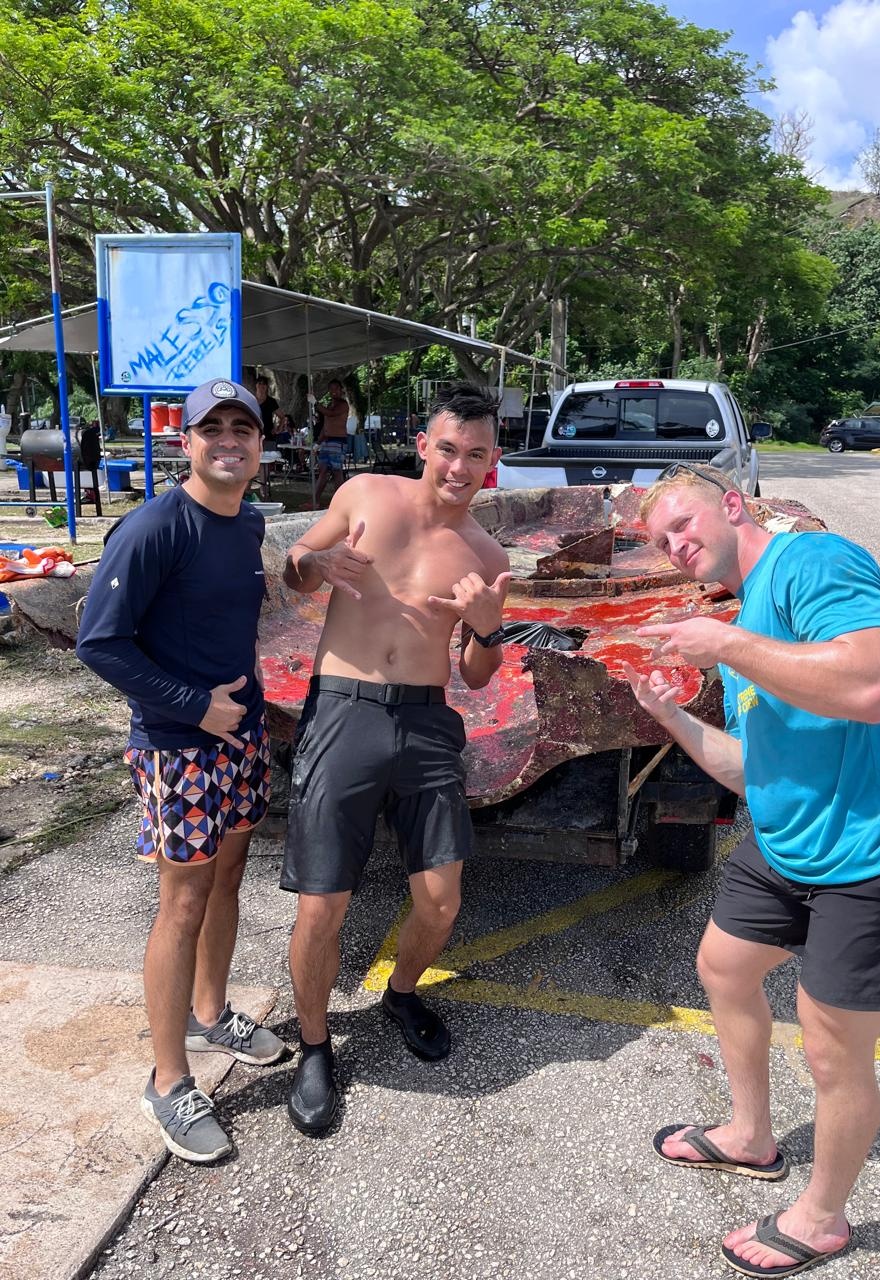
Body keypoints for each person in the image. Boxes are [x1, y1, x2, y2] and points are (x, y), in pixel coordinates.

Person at [625, 462, 880, 1278]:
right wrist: (668, 714)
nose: (675, 545)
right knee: (723, 967)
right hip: (789, 844)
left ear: (733, 503)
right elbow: (753, 769)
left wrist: (726, 643)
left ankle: (822, 1218)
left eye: (682, 524)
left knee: (831, 1048)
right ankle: (750, 1135)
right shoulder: (745, 610)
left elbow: (872, 685)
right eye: (661, 540)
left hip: (879, 851)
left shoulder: (813, 562)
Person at [279, 383, 510, 1137]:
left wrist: (485, 626)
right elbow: (296, 567)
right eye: (449, 448)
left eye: (476, 454)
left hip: (426, 719)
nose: (459, 465)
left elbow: (477, 675)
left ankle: (402, 993)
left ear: (493, 461)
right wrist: (315, 565)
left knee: (441, 899)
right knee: (324, 902)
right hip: (342, 707)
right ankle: (314, 1048)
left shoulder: (486, 551)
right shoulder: (365, 492)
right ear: (424, 445)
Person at [76, 377, 285, 1165]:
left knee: (229, 877)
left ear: (261, 445)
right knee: (184, 902)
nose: (229, 440)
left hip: (241, 734)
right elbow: (100, 641)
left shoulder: (248, 521)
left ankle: (210, 1009)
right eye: (213, 428)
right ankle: (168, 1079)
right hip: (179, 742)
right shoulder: (155, 527)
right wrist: (193, 707)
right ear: (185, 441)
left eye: (244, 428)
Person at [312, 378, 350, 503]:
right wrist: (318, 442)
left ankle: (342, 502)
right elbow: (326, 425)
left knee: (337, 471)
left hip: (338, 441)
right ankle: (314, 501)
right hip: (326, 441)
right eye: (331, 389)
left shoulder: (343, 404)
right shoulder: (329, 405)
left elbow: (331, 414)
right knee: (322, 471)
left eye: (336, 389)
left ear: (341, 390)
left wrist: (315, 404)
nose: (334, 392)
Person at [254, 374, 279, 439]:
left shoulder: (271, 401)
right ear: (256, 385)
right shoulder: (251, 399)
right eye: (259, 383)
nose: (262, 386)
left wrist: (277, 429)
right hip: (253, 435)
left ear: (267, 386)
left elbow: (282, 417)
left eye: (264, 384)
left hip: (268, 436)